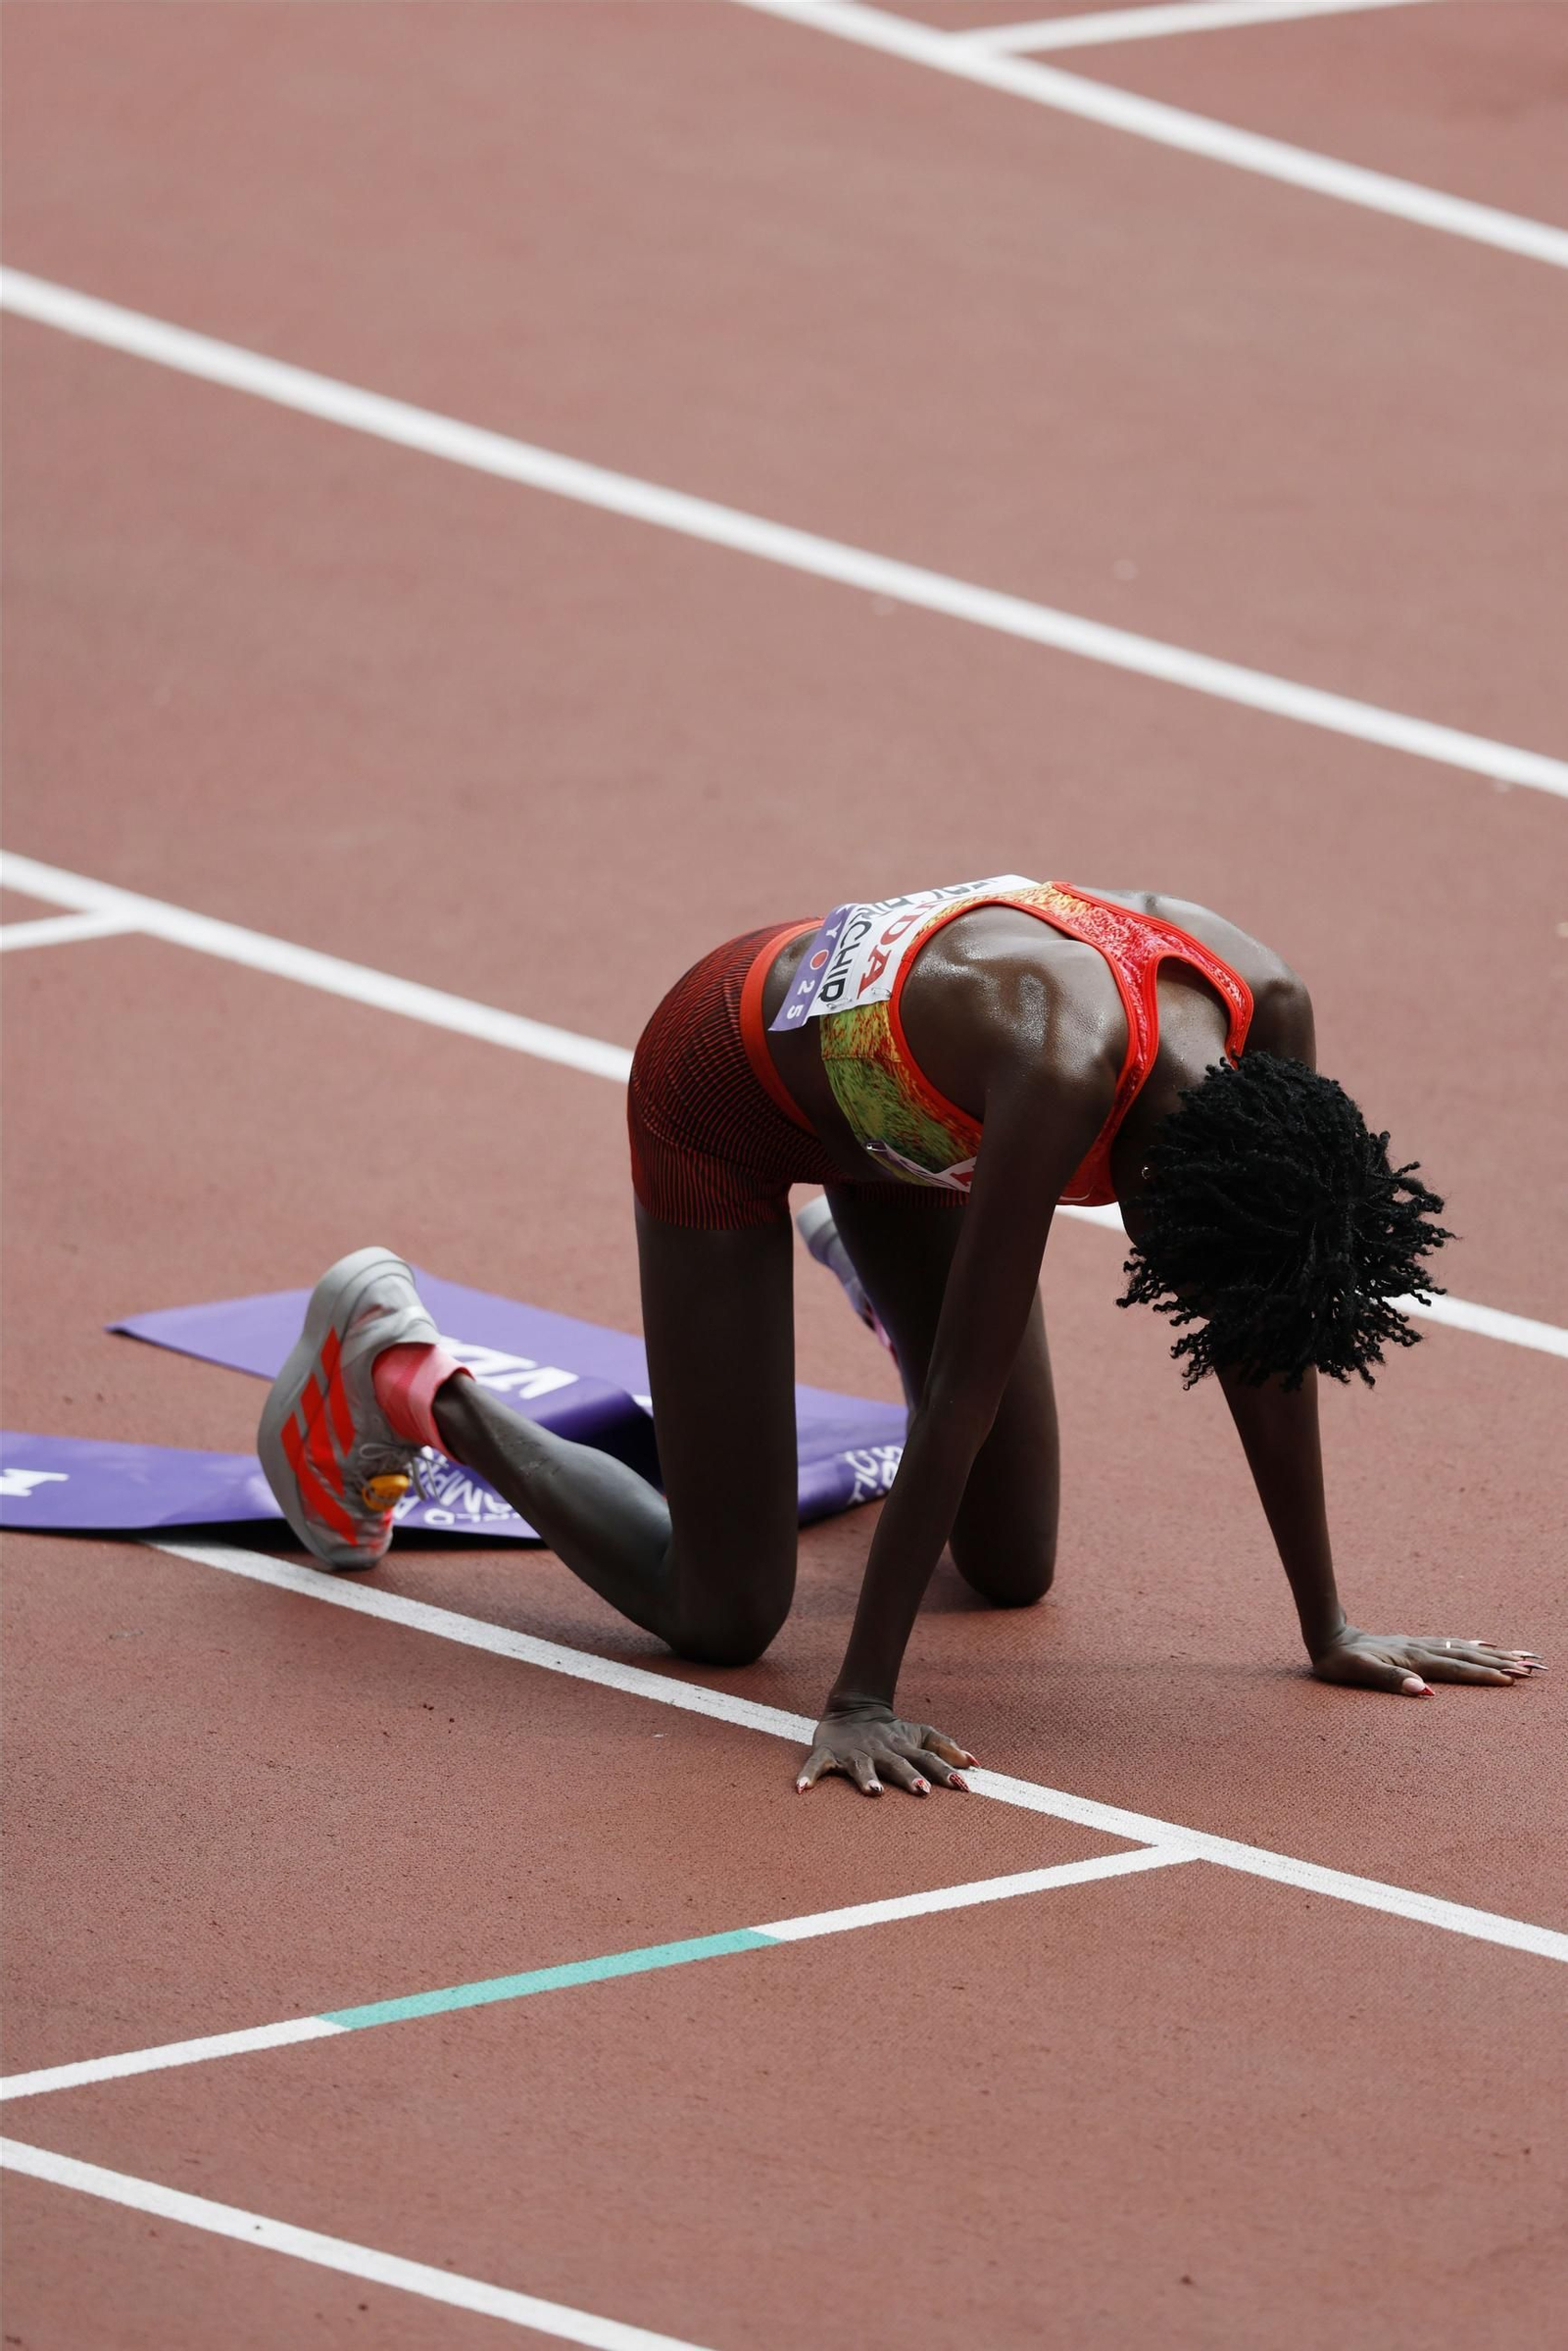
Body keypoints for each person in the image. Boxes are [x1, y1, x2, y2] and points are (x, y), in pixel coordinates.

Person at [258, 875, 1542, 1798]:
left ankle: (873, 1260)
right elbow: (965, 1393)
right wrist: (862, 1695)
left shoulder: (1270, 1010)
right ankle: (401, 1371)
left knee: (1013, 1565)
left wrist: (1330, 1625)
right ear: (1155, 1188)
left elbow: (1264, 1332)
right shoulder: (1061, 1069)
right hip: (729, 1094)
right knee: (723, 1613)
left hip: (908, 1129)